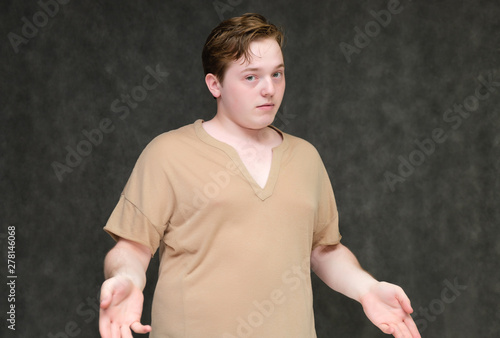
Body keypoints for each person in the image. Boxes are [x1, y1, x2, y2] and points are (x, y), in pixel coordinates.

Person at [99, 13, 421, 338]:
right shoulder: (167, 154)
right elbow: (133, 248)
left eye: (277, 74)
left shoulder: (305, 158)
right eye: (251, 77)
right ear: (215, 84)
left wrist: (367, 288)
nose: (269, 89)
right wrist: (125, 277)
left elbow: (324, 250)